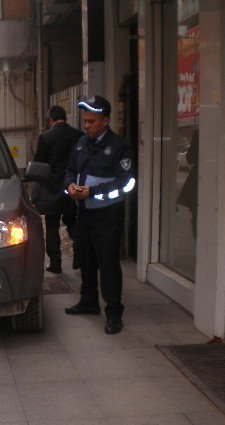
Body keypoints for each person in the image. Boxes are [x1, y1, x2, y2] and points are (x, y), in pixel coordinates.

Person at [64, 95, 135, 334]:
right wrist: (70, 187)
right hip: (84, 214)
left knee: (108, 264)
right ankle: (88, 302)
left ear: (105, 121)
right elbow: (70, 170)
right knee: (86, 259)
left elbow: (127, 183)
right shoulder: (82, 143)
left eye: (91, 121)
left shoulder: (119, 146)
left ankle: (113, 312)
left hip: (107, 217)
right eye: (85, 121)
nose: (86, 126)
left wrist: (93, 192)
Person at [34, 105, 84, 273]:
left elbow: (39, 163)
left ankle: (55, 264)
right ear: (65, 117)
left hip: (51, 189)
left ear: (50, 120)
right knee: (72, 222)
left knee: (52, 225)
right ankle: (80, 257)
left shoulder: (45, 137)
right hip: (72, 188)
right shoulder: (79, 135)